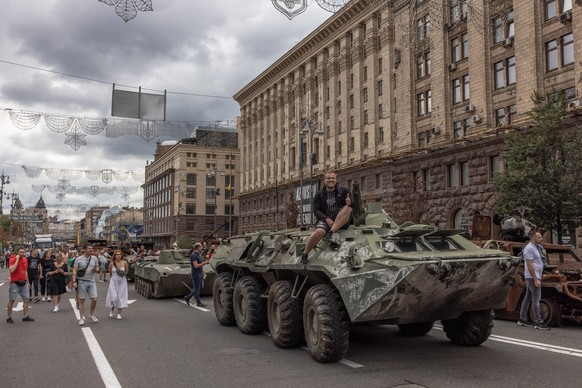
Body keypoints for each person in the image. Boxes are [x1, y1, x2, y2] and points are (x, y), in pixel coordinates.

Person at [300, 171, 353, 264]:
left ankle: (330, 233)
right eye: (328, 178)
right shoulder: (319, 194)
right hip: (326, 218)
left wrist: (350, 202)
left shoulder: (344, 191)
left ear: (336, 179)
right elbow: (316, 210)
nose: (331, 180)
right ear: (324, 180)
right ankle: (305, 254)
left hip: (340, 220)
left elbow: (354, 205)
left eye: (333, 178)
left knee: (348, 208)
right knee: (319, 232)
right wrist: (326, 219)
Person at [517, 230, 550, 330]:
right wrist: (536, 279)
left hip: (534, 276)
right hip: (532, 277)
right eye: (539, 237)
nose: (541, 239)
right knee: (536, 299)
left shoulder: (537, 247)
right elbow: (529, 264)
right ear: (533, 238)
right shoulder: (529, 248)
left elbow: (538, 261)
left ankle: (522, 319)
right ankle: (538, 322)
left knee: (528, 298)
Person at [72, 244, 100, 326]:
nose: (91, 250)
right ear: (84, 249)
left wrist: (96, 269)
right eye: (89, 248)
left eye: (92, 248)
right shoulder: (78, 259)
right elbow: (75, 271)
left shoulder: (94, 258)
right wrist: (74, 281)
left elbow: (97, 267)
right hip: (82, 281)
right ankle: (81, 318)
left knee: (94, 299)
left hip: (92, 281)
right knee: (82, 300)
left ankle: (91, 314)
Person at [6, 248, 34, 323]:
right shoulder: (12, 259)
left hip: (23, 282)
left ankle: (25, 316)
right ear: (17, 253)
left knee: (26, 299)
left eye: (23, 252)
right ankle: (9, 317)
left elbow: (25, 271)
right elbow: (12, 270)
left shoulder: (25, 260)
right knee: (12, 300)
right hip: (15, 282)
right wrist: (17, 260)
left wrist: (28, 282)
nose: (22, 253)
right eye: (20, 252)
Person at [184, 243, 210, 307]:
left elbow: (200, 265)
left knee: (200, 286)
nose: (202, 248)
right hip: (196, 274)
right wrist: (205, 263)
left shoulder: (198, 255)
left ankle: (188, 297)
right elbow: (196, 266)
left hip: (200, 273)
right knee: (197, 289)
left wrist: (203, 272)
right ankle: (198, 302)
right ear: (198, 247)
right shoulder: (193, 255)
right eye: (201, 247)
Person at [105, 250, 129, 319]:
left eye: (120, 254)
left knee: (120, 297)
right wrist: (114, 278)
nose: (118, 256)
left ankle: (119, 313)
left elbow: (126, 271)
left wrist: (122, 276)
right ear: (114, 256)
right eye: (117, 254)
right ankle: (112, 308)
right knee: (113, 297)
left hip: (122, 281)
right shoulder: (111, 264)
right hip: (113, 281)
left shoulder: (124, 263)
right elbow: (110, 273)